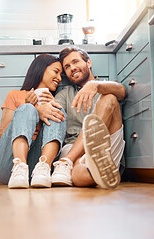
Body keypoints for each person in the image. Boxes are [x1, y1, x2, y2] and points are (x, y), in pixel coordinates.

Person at [49, 46, 127, 189]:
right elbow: (52, 110)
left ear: (88, 63)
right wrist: (40, 106)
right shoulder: (65, 94)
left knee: (109, 98)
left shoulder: (106, 86)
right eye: (67, 66)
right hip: (74, 146)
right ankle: (97, 172)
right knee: (78, 176)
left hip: (107, 144)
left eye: (75, 62)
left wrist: (95, 85)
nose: (72, 68)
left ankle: (68, 161)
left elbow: (122, 91)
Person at [0, 54, 67, 189]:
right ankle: (20, 167)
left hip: (36, 169)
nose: (59, 78)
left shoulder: (56, 100)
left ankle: (44, 166)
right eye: (56, 71)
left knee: (57, 111)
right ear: (41, 69)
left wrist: (48, 108)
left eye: (61, 75)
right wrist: (35, 110)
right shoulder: (14, 95)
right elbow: (4, 134)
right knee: (27, 108)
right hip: (7, 163)